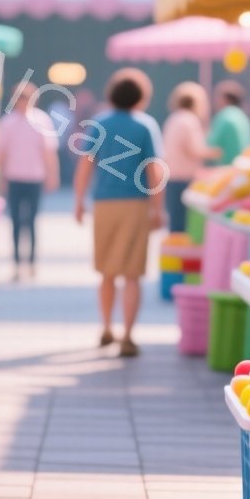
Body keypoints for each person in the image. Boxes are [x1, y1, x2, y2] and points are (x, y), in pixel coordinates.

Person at [74, 74, 163, 358]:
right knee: (133, 274)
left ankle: (106, 327)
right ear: (141, 97)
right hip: (136, 204)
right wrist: (158, 208)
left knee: (107, 272)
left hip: (104, 205)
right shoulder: (146, 125)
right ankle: (128, 336)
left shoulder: (100, 123)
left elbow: (85, 165)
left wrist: (78, 200)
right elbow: (153, 170)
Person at [0, 83, 59, 280]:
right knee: (14, 222)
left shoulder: (42, 120)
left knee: (31, 221)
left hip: (35, 177)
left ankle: (31, 262)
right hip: (14, 176)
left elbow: (49, 152)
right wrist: (0, 177)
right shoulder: (7, 123)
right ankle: (16, 263)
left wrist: (52, 174)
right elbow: (1, 153)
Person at [162, 82, 216, 233]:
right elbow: (194, 150)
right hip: (185, 178)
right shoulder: (189, 121)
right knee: (183, 225)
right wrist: (216, 152)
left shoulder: (173, 118)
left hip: (172, 176)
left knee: (175, 221)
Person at [207, 81, 250, 166]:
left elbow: (212, 144)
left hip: (227, 167)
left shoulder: (225, 116)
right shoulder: (243, 117)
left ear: (226, 99)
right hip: (242, 165)